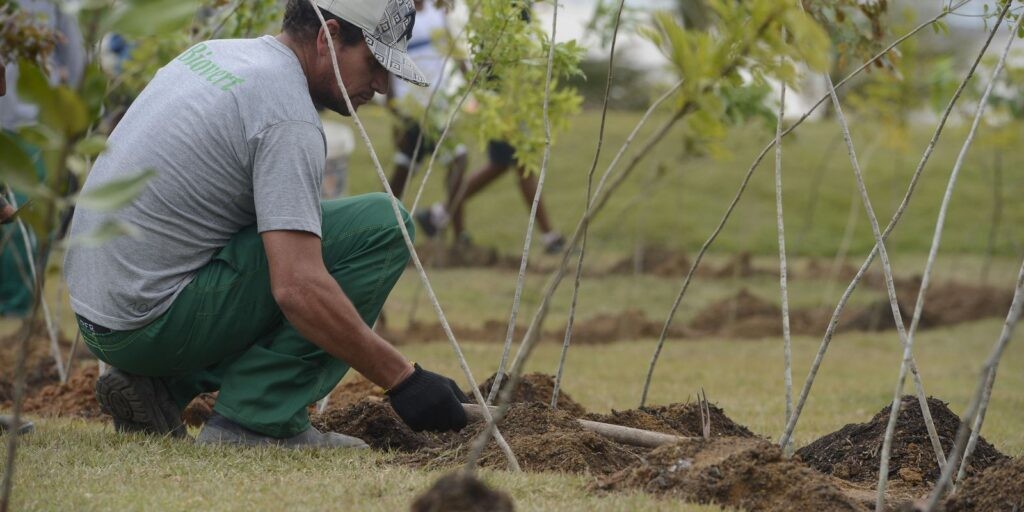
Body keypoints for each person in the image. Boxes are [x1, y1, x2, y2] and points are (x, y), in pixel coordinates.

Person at [63, 0, 470, 449]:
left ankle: (157, 387)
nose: (381, 85)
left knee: (290, 238)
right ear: (328, 37)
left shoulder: (215, 55)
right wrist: (405, 380)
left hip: (101, 316)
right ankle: (257, 421)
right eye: (373, 63)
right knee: (383, 226)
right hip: (149, 321)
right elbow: (299, 289)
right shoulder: (286, 115)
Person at [1, 0, 85, 317]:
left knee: (26, 215)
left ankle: (16, 306)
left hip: (32, 121)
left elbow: (73, 51)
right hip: (22, 118)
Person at [385, 0, 468, 201]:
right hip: (412, 107)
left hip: (438, 102)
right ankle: (442, 220)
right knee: (457, 159)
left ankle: (446, 224)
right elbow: (388, 59)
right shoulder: (396, 13)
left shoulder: (437, 7)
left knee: (406, 167)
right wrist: (394, 108)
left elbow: (452, 45)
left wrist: (470, 78)